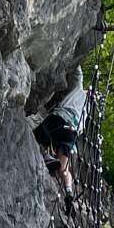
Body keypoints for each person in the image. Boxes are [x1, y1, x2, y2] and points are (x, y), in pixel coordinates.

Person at [34, 67, 86, 204]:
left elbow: (77, 73)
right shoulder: (86, 117)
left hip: (59, 119)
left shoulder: (79, 90)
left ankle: (47, 155)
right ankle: (69, 191)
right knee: (64, 168)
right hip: (71, 133)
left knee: (38, 135)